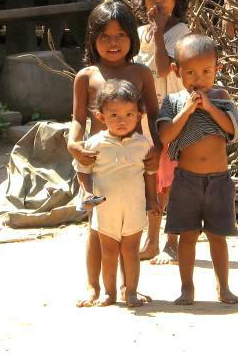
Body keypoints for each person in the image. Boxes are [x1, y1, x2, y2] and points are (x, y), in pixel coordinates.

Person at [67, 1, 160, 307]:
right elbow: (78, 118)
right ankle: (94, 287)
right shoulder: (86, 76)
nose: (113, 42)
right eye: (104, 36)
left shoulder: (141, 73)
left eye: (120, 35)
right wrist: (73, 143)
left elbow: (153, 116)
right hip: (97, 160)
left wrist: (158, 149)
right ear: (92, 39)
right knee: (98, 229)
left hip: (133, 159)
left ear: (132, 37)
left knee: (130, 229)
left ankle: (127, 287)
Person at [157, 34, 238, 305]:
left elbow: (233, 129)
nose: (199, 79)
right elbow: (166, 135)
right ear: (177, 71)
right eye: (191, 72)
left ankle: (223, 287)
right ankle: (187, 288)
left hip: (219, 180)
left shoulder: (221, 97)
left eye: (207, 71)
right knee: (187, 236)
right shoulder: (173, 101)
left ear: (217, 69)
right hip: (187, 181)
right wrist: (186, 111)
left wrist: (208, 107)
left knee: (218, 237)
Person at [73, 79, 161, 308]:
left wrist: (152, 200)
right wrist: (87, 193)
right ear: (101, 117)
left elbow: (150, 174)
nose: (122, 121)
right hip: (105, 209)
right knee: (108, 252)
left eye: (129, 114)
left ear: (139, 116)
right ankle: (109, 293)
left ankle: (130, 292)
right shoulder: (94, 144)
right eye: (114, 115)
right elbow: (82, 171)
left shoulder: (143, 145)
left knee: (131, 252)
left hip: (134, 208)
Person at [133, 0, 190, 265]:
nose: (158, 1)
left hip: (173, 117)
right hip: (145, 119)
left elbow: (164, 68)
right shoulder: (138, 33)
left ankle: (171, 242)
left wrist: (157, 33)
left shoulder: (182, 33)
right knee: (152, 179)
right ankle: (151, 240)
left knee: (172, 181)